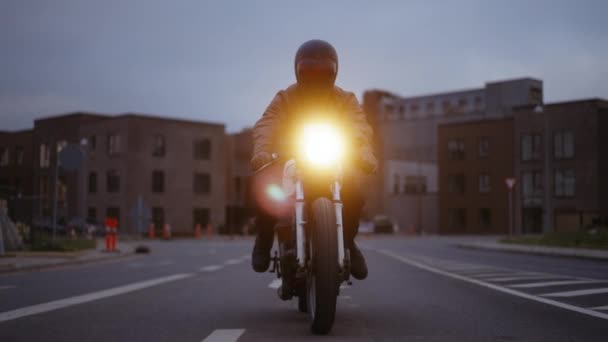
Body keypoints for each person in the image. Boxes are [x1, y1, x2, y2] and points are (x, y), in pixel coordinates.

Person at [250, 39, 377, 280]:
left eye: (323, 72)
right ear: (298, 71)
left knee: (353, 193)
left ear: (334, 72)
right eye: (309, 72)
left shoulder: (345, 99)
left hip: (330, 161)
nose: (316, 78)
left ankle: (348, 242)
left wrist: (363, 152)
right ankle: (264, 238)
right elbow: (268, 123)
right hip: (290, 162)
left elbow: (358, 127)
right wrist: (262, 151)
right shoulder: (286, 98)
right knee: (266, 189)